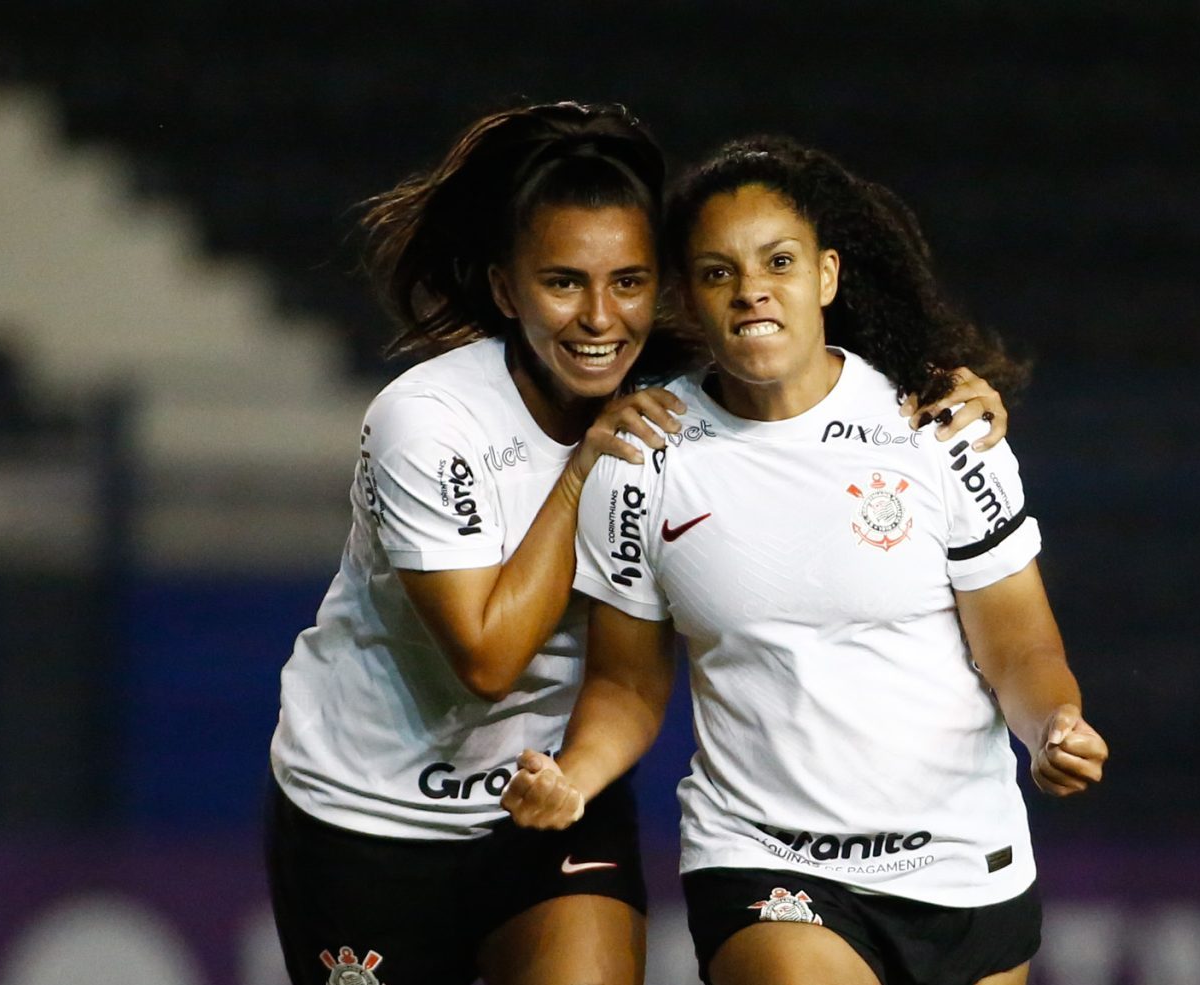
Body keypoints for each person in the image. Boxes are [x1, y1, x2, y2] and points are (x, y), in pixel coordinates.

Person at [266, 105, 1014, 985]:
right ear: (509, 290)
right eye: (563, 282)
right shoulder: (428, 423)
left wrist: (946, 382)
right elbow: (487, 657)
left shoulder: (670, 394)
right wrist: (584, 467)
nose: (599, 317)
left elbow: (815, 353)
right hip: (366, 818)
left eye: (628, 281)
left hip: (551, 793)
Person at [501, 135, 1108, 985]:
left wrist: (1054, 726)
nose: (751, 290)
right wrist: (575, 774)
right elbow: (628, 684)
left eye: (776, 262)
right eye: (718, 272)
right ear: (687, 299)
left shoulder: (938, 428)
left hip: (963, 863)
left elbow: (1018, 646)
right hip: (764, 860)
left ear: (825, 277)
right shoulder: (645, 456)